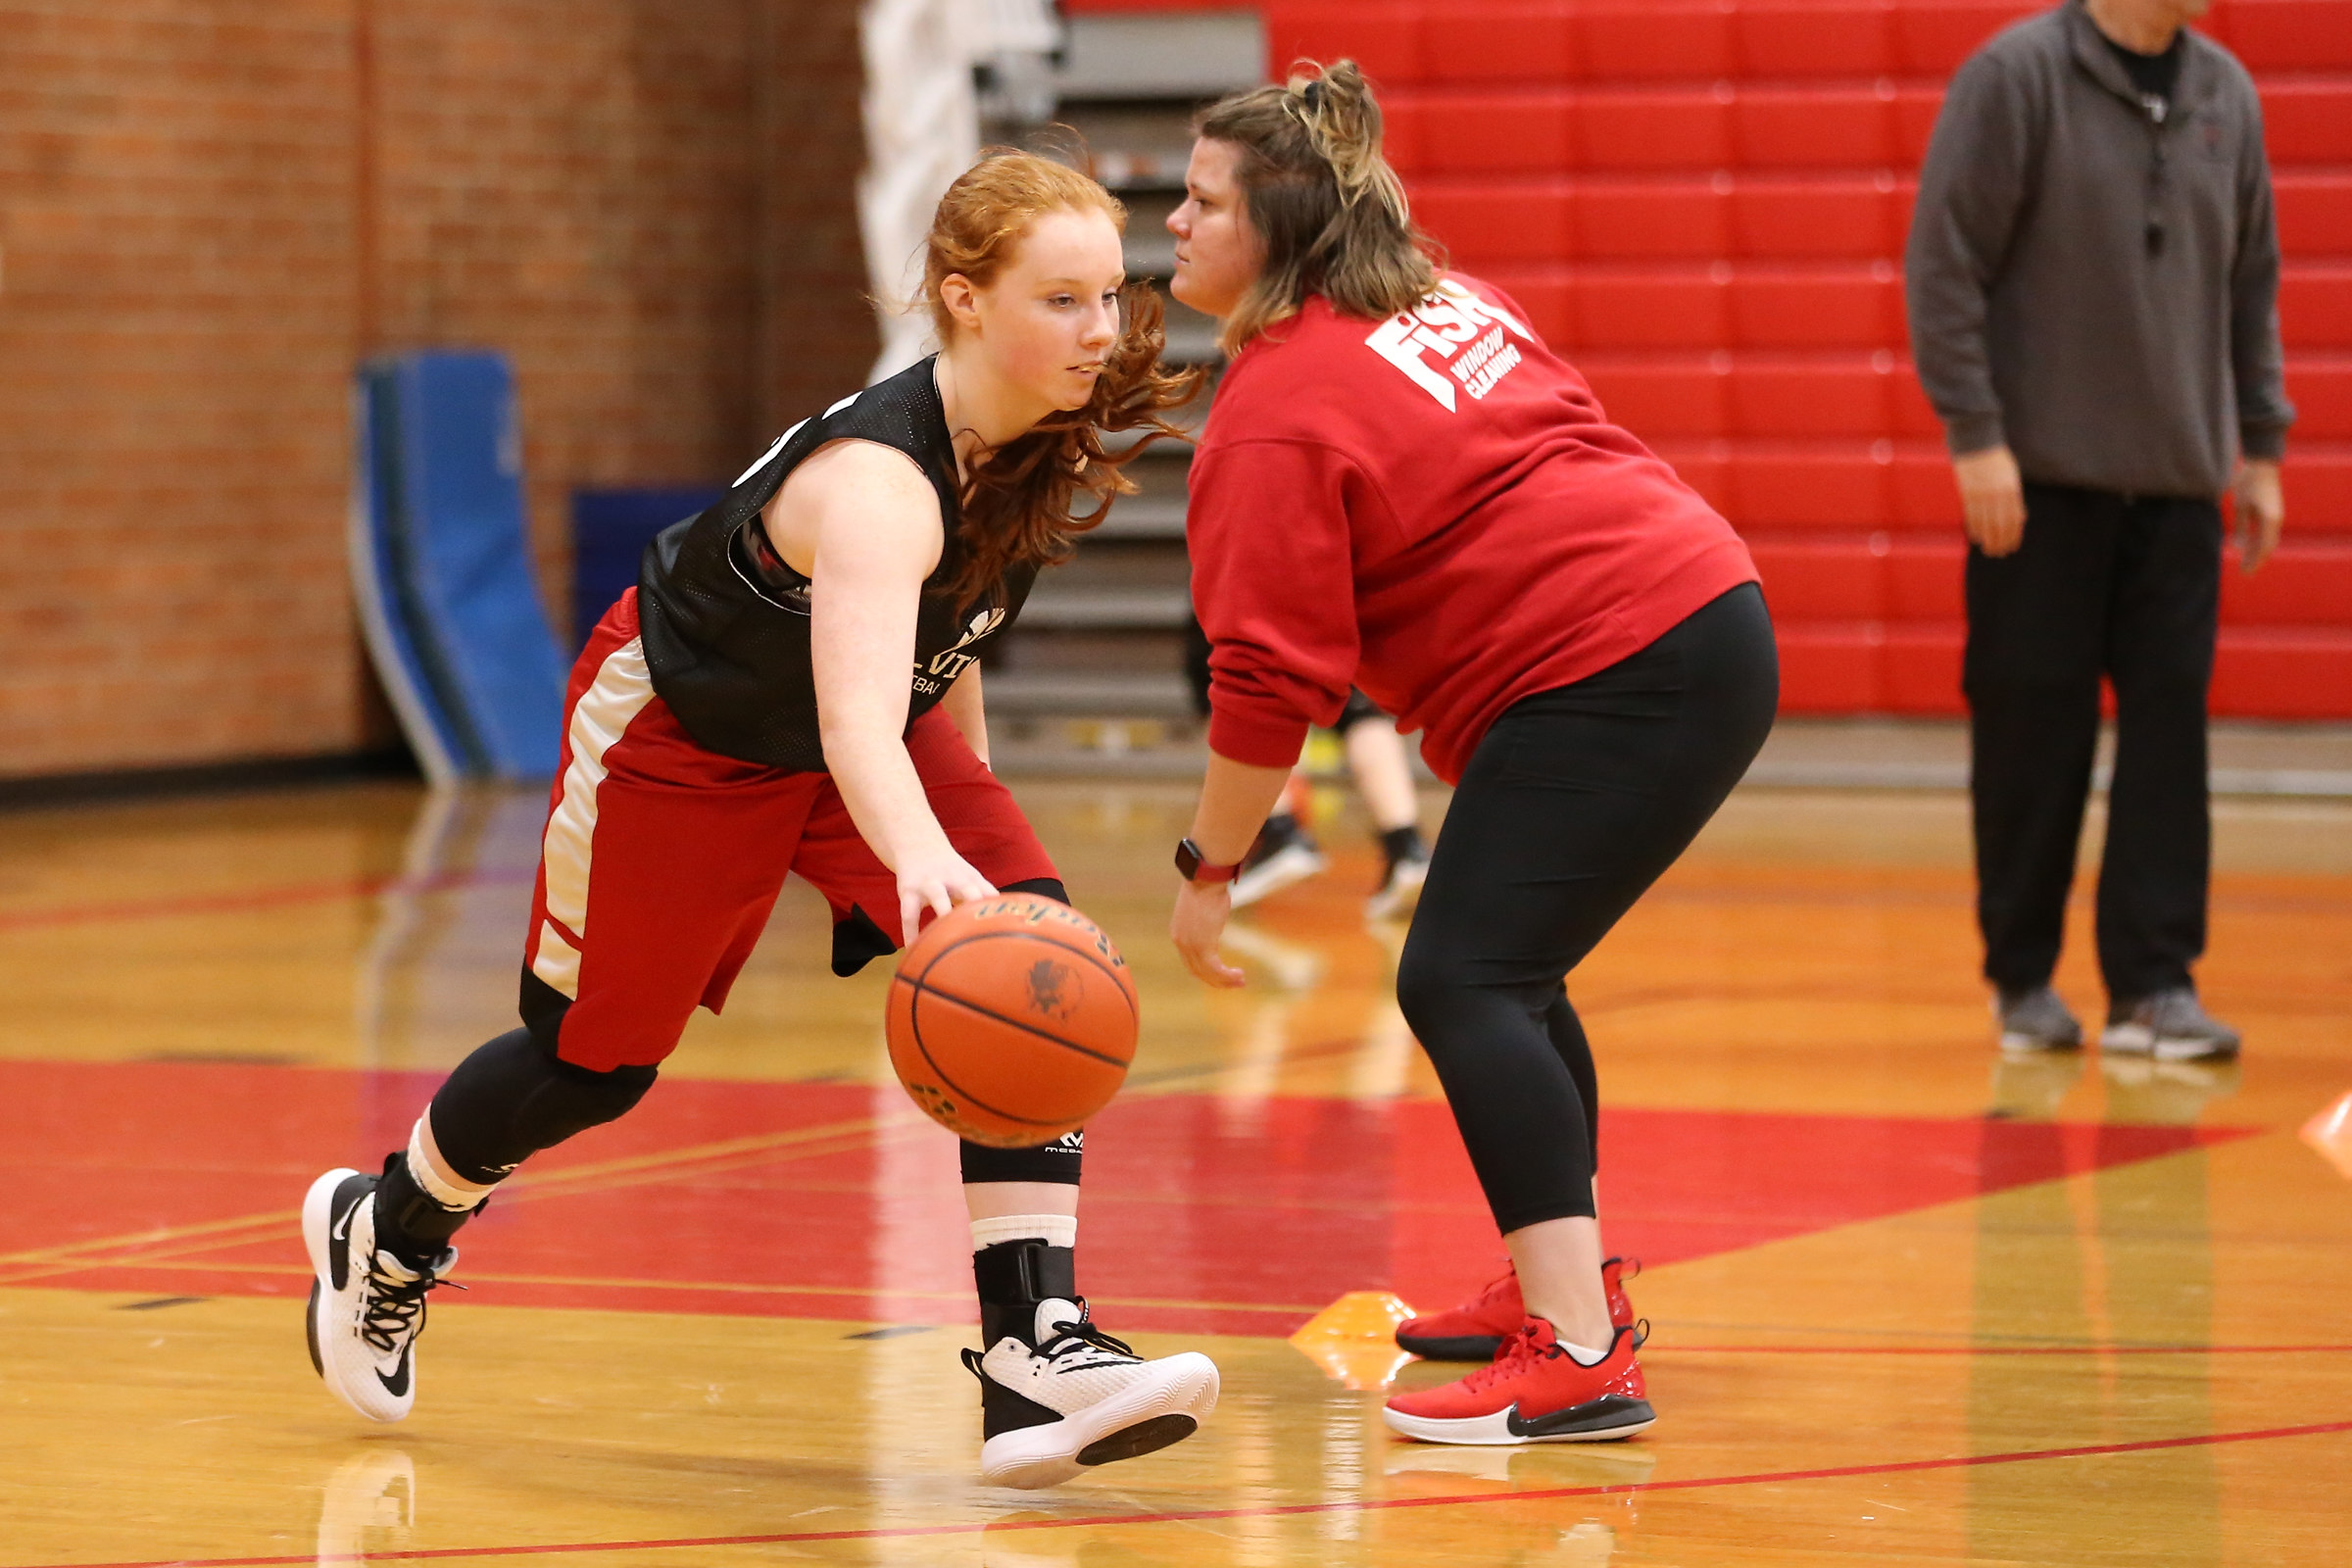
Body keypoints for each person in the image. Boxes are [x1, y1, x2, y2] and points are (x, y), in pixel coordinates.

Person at [301, 152, 1220, 1491]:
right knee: (596, 1062)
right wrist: (923, 856)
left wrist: (979, 831)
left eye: (1111, 296)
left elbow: (938, 651)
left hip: (856, 729)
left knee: (1036, 961)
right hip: (687, 734)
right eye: (1063, 300)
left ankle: (1035, 1351)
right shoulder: (881, 486)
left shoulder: (1028, 428)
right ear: (964, 300)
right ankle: (389, 1225)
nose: (1102, 329)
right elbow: (855, 725)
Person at [1163, 63, 1778, 1445]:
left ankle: (1580, 1350)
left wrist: (1211, 866)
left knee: (1463, 976)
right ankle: (1559, 1284)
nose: (1175, 226)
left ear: (1278, 226)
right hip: (1699, 612)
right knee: (1509, 971)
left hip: (1623, 663)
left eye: (1204, 202)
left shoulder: (1273, 408)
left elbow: (1267, 683)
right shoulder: (1441, 298)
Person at [1905, 0, 2291, 1061]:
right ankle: (2022, 978)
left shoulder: (2226, 92)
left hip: (2179, 488)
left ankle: (2154, 988)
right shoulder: (2015, 78)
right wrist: (1976, 437)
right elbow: (1944, 265)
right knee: (2033, 740)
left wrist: (2261, 447)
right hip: (2038, 486)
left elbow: (2252, 282)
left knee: (2169, 743)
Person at [1184, 616, 1432, 916]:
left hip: (1258, 596)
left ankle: (1279, 832)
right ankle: (1406, 846)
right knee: (1358, 708)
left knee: (1238, 685)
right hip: (1339, 598)